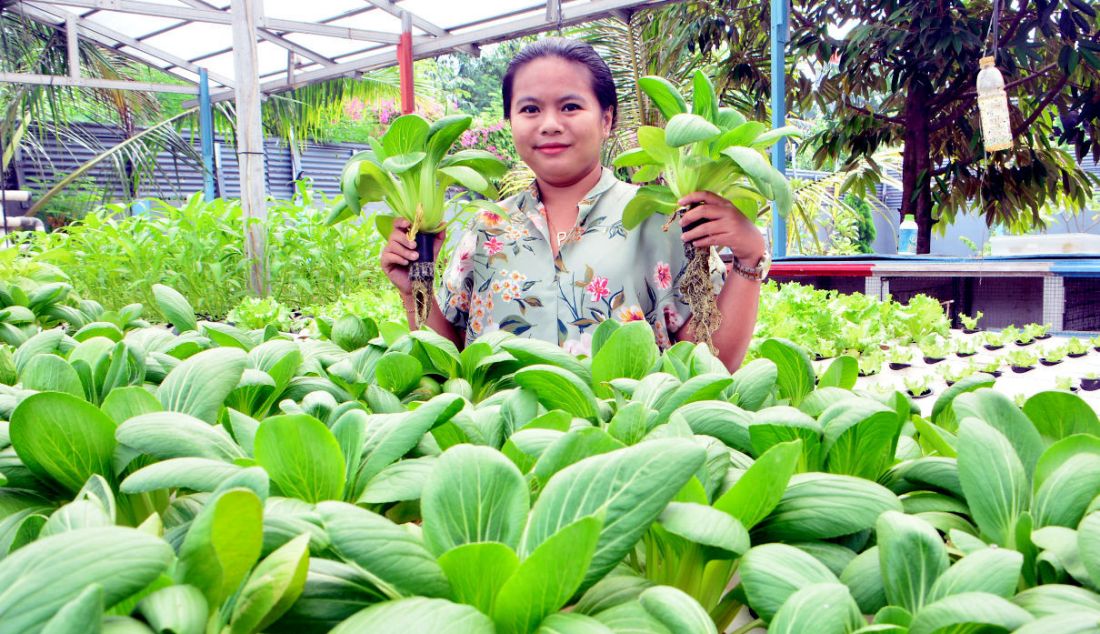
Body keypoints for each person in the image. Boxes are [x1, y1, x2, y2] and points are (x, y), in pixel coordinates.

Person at [381, 38, 766, 371]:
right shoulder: (485, 227)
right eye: (530, 109)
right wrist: (411, 287)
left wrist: (750, 259)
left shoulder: (658, 219)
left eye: (570, 107)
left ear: (607, 119)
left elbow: (710, 363)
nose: (549, 124)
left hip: (623, 445)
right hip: (502, 445)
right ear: (511, 121)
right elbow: (448, 356)